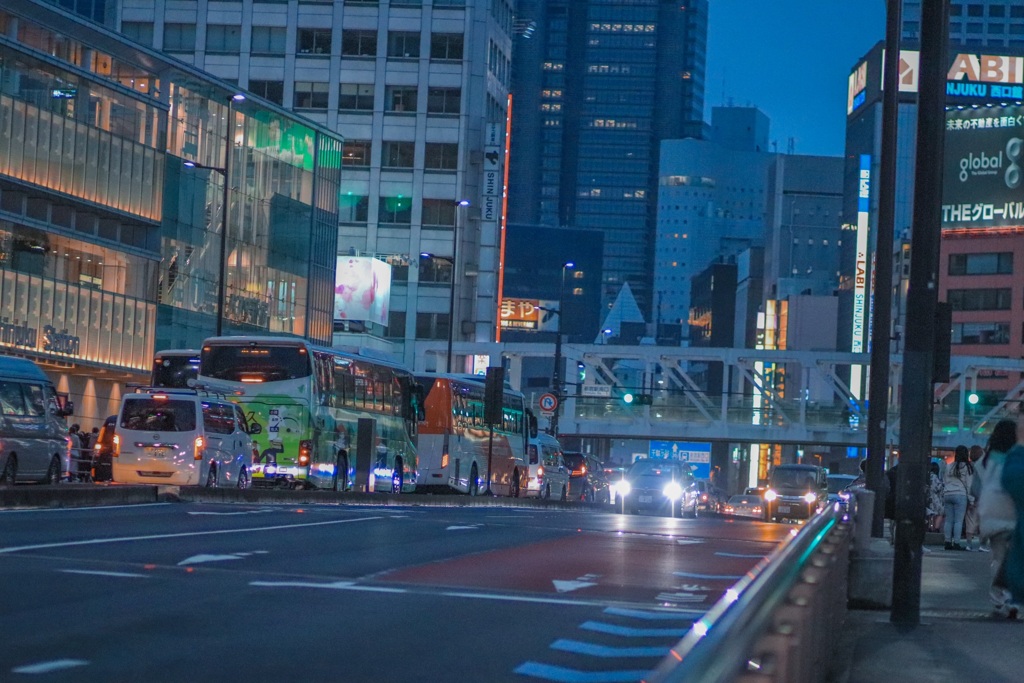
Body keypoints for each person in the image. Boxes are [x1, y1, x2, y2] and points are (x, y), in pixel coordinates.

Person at [977, 419, 1019, 618]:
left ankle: (998, 599)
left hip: (992, 515)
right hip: (1014, 514)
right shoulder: (1017, 458)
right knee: (1016, 559)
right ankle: (1013, 600)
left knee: (998, 558)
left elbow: (978, 488)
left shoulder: (985, 461)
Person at [943, 445, 974, 550]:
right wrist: (971, 500)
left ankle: (947, 542)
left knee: (948, 520)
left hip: (947, 493)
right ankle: (956, 542)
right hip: (960, 494)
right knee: (958, 521)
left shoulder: (949, 466)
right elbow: (969, 485)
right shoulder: (967, 467)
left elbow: (945, 480)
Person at [964, 445, 985, 550]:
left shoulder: (968, 466)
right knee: (982, 522)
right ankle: (982, 545)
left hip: (970, 496)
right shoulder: (982, 467)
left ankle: (968, 544)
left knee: (970, 521)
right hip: (981, 497)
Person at [926, 461, 944, 533]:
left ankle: (930, 527)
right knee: (940, 513)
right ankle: (936, 528)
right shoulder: (935, 477)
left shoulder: (926, 476)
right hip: (935, 498)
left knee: (930, 514)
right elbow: (938, 488)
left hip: (927, 497)